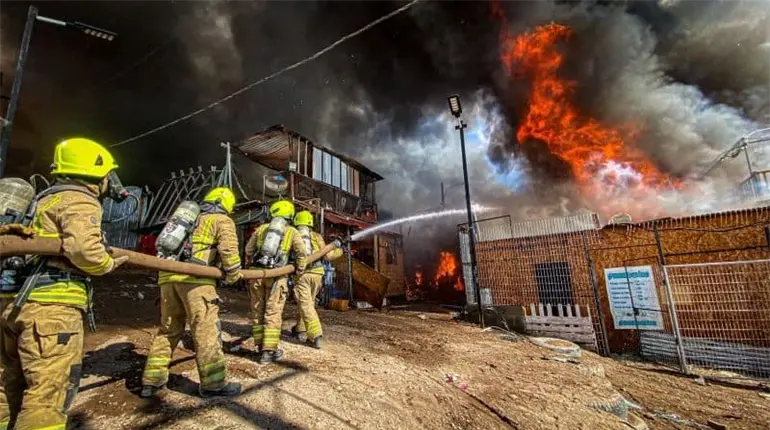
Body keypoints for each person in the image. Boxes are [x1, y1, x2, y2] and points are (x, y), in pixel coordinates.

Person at [0, 138, 130, 430]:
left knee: (8, 383)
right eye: (108, 173)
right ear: (95, 171)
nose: (110, 181)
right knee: (47, 395)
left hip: (12, 303)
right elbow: (85, 251)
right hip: (51, 312)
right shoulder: (81, 199)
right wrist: (106, 264)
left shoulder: (44, 198)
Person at [140, 187, 243, 398]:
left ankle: (152, 382)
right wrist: (233, 276)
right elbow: (229, 254)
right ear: (227, 205)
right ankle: (214, 385)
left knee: (168, 330)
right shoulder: (222, 220)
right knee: (205, 331)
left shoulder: (189, 219)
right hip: (196, 281)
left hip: (167, 278)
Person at [244, 200, 307, 364]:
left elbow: (248, 251)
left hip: (255, 274)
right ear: (290, 215)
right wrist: (299, 270)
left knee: (257, 310)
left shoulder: (261, 229)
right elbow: (302, 254)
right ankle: (269, 351)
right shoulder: (292, 231)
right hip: (277, 276)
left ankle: (259, 347)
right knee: (273, 312)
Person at [291, 211, 343, 349]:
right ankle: (300, 328)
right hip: (317, 275)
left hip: (302, 274)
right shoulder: (317, 236)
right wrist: (341, 251)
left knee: (305, 303)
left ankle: (315, 335)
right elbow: (328, 256)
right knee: (308, 302)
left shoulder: (292, 234)